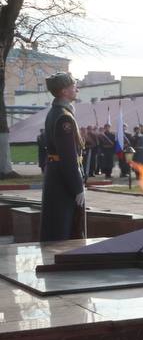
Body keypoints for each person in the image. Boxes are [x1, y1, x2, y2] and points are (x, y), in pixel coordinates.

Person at [40, 73, 86, 242]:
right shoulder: (64, 117)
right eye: (74, 86)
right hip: (63, 181)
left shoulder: (57, 112)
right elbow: (67, 157)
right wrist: (77, 187)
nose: (77, 89)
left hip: (57, 176)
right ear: (64, 91)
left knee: (58, 227)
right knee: (61, 230)